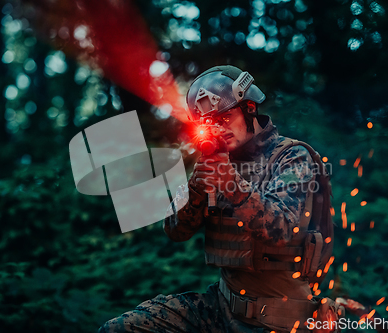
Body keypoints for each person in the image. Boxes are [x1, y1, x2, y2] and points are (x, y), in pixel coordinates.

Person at [98, 65, 341, 333]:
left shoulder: (291, 157)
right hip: (221, 308)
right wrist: (196, 189)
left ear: (249, 108)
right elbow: (175, 231)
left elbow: (282, 229)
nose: (217, 130)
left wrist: (230, 183)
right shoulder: (214, 161)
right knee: (121, 329)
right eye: (207, 124)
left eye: (224, 119)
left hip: (282, 319)